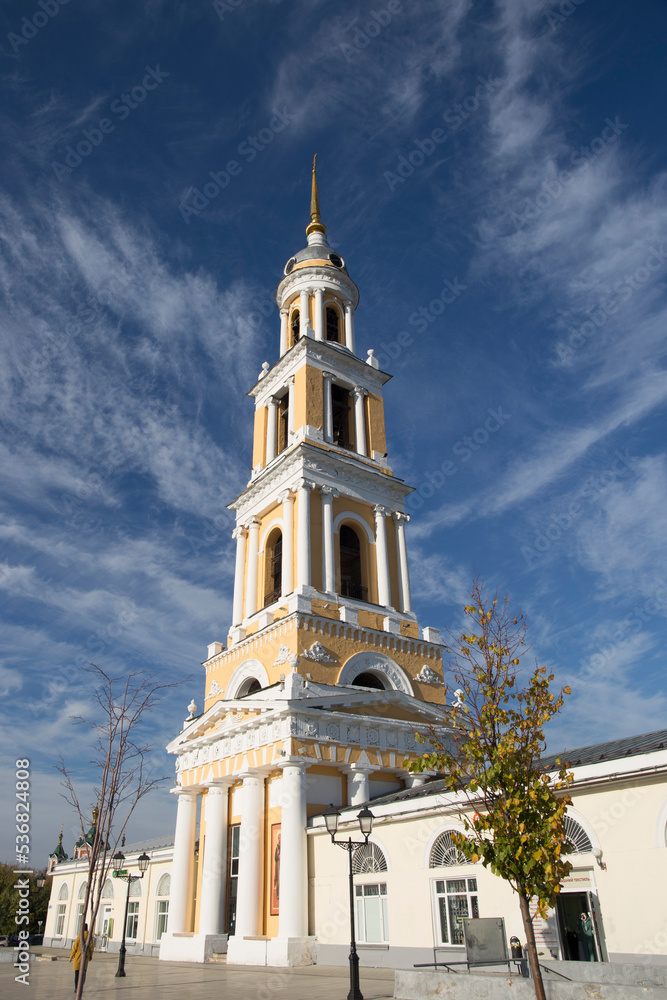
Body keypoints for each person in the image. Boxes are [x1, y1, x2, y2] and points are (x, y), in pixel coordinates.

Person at [69, 923, 94, 991]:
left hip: (77, 958)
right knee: (83, 974)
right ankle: (81, 987)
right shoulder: (89, 938)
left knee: (77, 974)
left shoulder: (79, 937)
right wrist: (90, 956)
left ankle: (76, 987)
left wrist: (71, 957)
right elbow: (91, 948)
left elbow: (75, 948)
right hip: (85, 958)